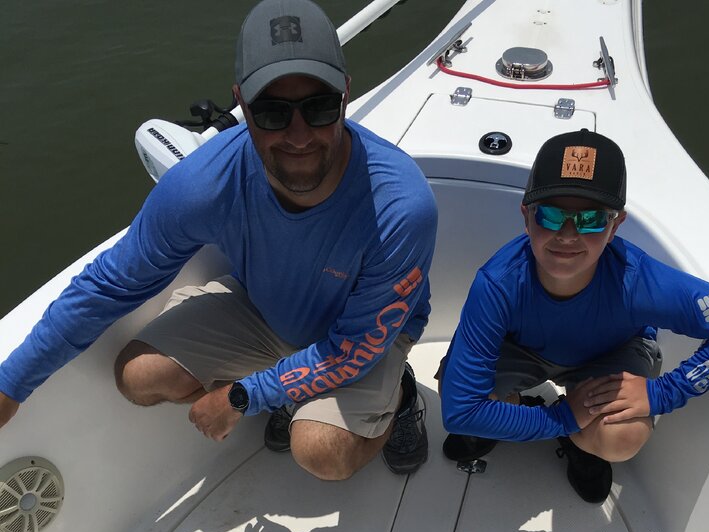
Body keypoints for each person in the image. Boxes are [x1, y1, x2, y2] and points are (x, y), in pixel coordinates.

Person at [0, 0, 437, 479]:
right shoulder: (202, 184)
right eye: (272, 112)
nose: (298, 135)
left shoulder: (400, 205)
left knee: (322, 453)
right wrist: (10, 385)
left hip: (366, 338)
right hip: (266, 311)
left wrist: (243, 396)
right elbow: (110, 285)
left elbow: (353, 348)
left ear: (346, 96)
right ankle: (291, 391)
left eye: (319, 107)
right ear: (242, 104)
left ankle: (397, 398)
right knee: (138, 377)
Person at [438, 129, 709, 503]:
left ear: (616, 225)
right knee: (462, 396)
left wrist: (661, 393)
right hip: (523, 351)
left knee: (622, 436)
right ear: (526, 217)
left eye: (591, 219)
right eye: (551, 215)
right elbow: (459, 411)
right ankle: (543, 418)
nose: (568, 234)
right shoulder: (496, 284)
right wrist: (564, 416)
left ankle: (580, 443)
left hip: (608, 357)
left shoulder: (639, 280)